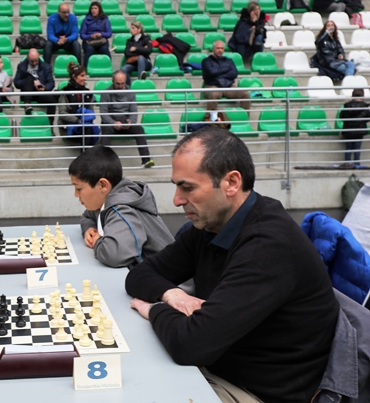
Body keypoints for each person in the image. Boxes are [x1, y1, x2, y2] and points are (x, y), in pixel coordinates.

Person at [126, 126, 339, 403]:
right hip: (218, 368)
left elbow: (191, 345)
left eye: (187, 187)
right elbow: (140, 275)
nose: (177, 200)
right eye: (176, 186)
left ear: (231, 183)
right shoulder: (212, 224)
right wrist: (172, 295)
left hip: (256, 391)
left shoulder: (267, 245)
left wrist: (155, 309)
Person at [69, 145, 174, 268]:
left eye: (78, 188)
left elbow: (114, 255)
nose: (75, 195)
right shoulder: (106, 200)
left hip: (169, 277)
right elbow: (87, 216)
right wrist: (89, 228)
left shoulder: (122, 210)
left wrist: (97, 241)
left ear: (103, 185)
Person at [99, 70, 154, 168]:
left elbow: (133, 111)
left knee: (139, 129)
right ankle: (103, 162)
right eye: (118, 84)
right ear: (113, 81)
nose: (120, 86)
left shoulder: (130, 93)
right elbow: (103, 113)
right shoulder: (105, 93)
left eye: (122, 83)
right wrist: (113, 123)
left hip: (125, 121)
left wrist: (131, 122)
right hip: (111, 122)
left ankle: (146, 160)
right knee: (106, 131)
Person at [202, 40, 251, 113]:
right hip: (212, 86)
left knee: (245, 94)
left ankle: (244, 117)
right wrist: (225, 69)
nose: (220, 50)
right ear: (213, 49)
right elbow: (211, 72)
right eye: (218, 48)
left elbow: (234, 73)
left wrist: (218, 74)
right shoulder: (206, 61)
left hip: (228, 86)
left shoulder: (229, 61)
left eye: (222, 48)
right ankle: (210, 118)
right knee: (214, 95)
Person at [57, 62, 99, 147]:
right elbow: (62, 113)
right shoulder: (65, 92)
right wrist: (77, 120)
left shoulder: (87, 93)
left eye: (85, 76)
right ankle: (86, 154)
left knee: (90, 129)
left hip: (85, 126)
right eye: (82, 76)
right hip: (68, 127)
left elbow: (91, 112)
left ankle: (85, 154)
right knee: (87, 130)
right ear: (74, 76)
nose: (85, 78)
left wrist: (85, 119)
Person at [13, 48, 56, 118]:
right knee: (29, 78)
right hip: (27, 92)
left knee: (52, 100)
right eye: (32, 61)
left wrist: (44, 87)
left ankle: (50, 123)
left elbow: (51, 83)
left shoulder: (46, 67)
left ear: (39, 56)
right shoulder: (22, 66)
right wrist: (30, 81)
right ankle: (27, 104)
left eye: (36, 60)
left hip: (40, 92)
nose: (34, 63)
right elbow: (16, 83)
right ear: (28, 58)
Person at [339, 88, 369, 168]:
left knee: (348, 147)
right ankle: (356, 163)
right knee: (357, 148)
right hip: (359, 131)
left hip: (348, 130)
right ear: (363, 97)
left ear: (352, 96)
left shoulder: (347, 106)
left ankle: (347, 163)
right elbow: (367, 118)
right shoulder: (365, 107)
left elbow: (342, 117)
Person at [79, 1, 112, 69]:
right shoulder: (86, 20)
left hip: (101, 41)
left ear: (99, 9)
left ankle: (108, 67)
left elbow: (109, 33)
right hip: (89, 42)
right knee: (89, 49)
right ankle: (85, 68)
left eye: (95, 8)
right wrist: (90, 36)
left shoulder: (105, 19)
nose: (93, 10)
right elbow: (82, 35)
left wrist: (101, 34)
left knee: (104, 49)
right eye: (92, 8)